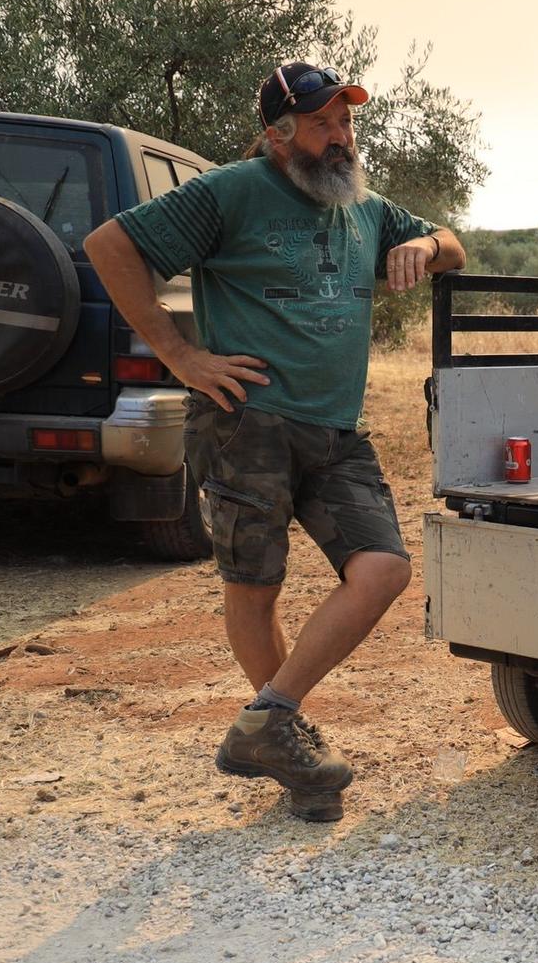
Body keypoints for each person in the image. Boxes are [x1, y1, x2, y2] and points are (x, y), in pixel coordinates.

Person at [85, 61, 466, 821]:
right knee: (255, 593)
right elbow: (109, 247)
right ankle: (292, 756)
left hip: (335, 430)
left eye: (347, 122)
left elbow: (455, 243)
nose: (341, 138)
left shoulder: (365, 206)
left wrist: (428, 248)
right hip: (246, 423)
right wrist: (182, 357)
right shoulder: (230, 191)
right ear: (277, 134)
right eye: (324, 124)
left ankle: (268, 719)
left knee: (385, 568)